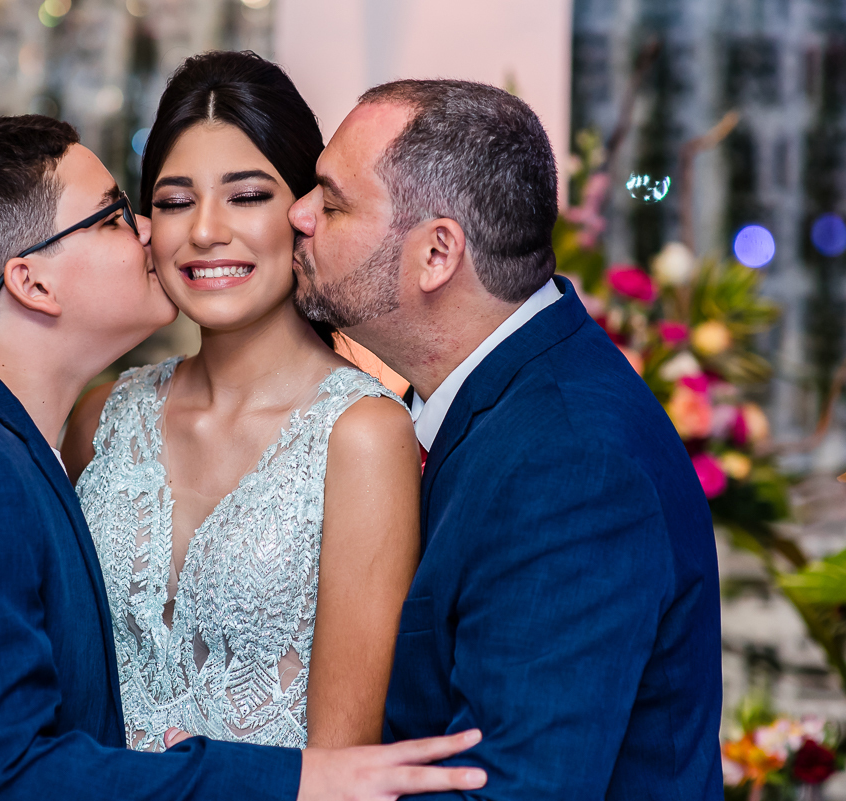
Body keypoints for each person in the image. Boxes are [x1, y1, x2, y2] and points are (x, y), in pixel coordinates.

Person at [0, 114, 487, 800]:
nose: (152, 232)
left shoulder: (4, 442)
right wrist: (292, 779)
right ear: (32, 282)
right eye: (111, 217)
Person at [288, 79, 723, 799]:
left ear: (436, 255)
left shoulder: (570, 464)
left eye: (332, 202)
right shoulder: (502, 404)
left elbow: (512, 789)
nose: (298, 213)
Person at [61, 51, 420, 753]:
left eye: (247, 195)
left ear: (305, 214)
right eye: (174, 200)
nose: (204, 230)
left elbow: (344, 762)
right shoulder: (101, 416)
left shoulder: (365, 432)